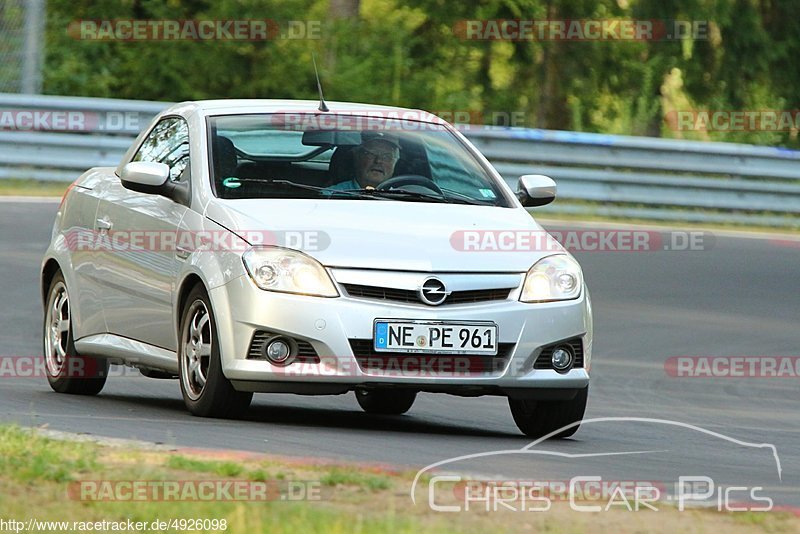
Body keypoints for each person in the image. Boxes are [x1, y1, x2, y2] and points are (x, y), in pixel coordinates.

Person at [327, 132, 401, 190]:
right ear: (357, 158)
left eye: (387, 157)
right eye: (371, 154)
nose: (378, 160)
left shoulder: (404, 198)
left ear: (395, 163)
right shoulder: (330, 196)